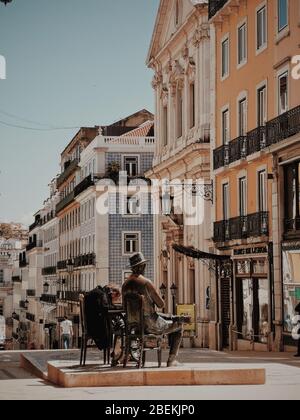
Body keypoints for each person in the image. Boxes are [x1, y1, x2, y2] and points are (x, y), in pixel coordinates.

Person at [122, 252, 184, 368]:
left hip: (133, 325)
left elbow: (124, 307)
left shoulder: (125, 285)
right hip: (150, 324)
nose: (145, 268)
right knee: (179, 326)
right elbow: (161, 304)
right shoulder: (146, 283)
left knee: (169, 320)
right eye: (144, 265)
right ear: (141, 267)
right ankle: (171, 360)